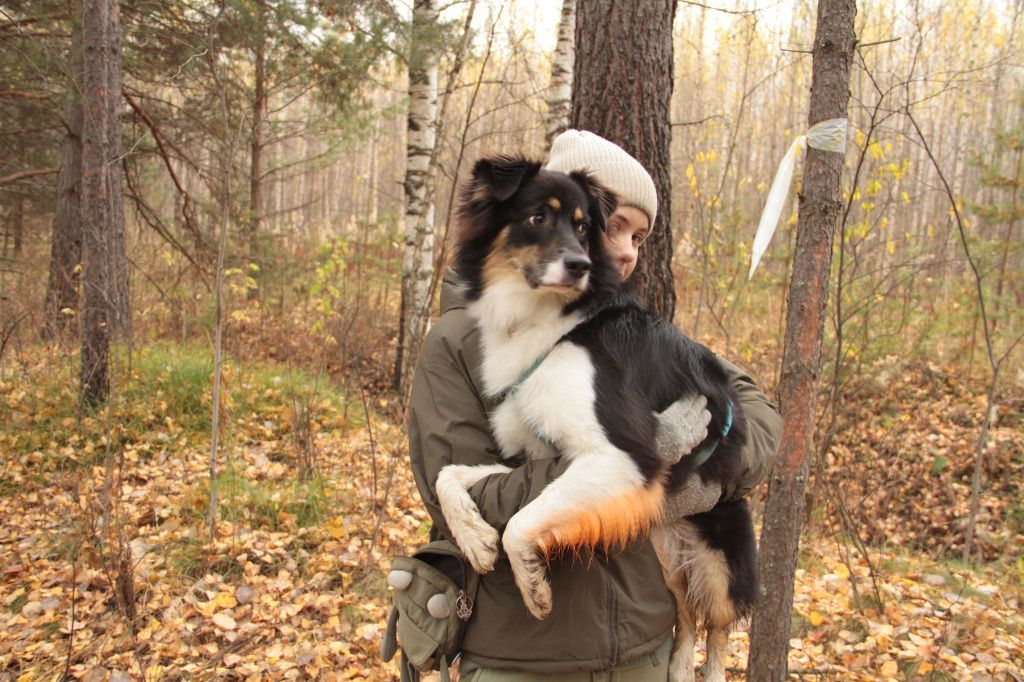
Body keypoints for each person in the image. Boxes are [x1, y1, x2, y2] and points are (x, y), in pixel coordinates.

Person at [407, 130, 782, 679]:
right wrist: (631, 477)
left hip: (642, 646)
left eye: (638, 235)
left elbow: (757, 415)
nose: (627, 249)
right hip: (526, 659)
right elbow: (481, 506)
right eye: (614, 227)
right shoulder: (457, 343)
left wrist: (700, 474)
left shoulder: (620, 329)